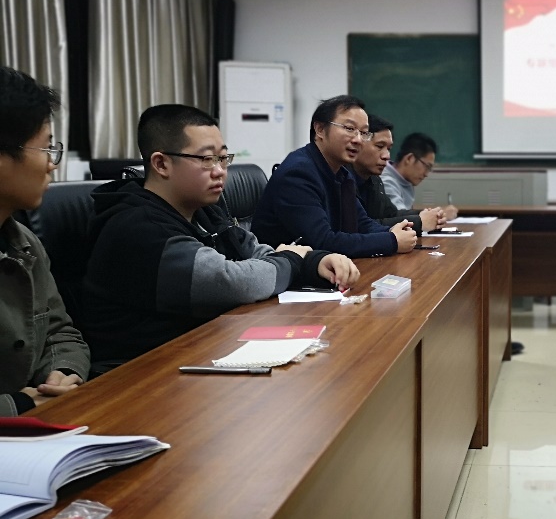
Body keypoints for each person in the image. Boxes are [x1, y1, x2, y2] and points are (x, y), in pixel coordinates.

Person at [81, 104, 359, 365]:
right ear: (162, 164)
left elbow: (252, 250)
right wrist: (294, 259)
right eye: (207, 159)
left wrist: (313, 262)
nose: (220, 172)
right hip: (141, 371)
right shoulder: (137, 226)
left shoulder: (201, 210)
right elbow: (232, 282)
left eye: (223, 158)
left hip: (202, 348)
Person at [0, 68, 90, 414]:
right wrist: (18, 404)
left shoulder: (24, 242)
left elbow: (59, 332)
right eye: (46, 147)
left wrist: (62, 372)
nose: (52, 165)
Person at [252, 96, 416, 257]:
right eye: (350, 129)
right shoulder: (297, 173)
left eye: (364, 133)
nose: (358, 140)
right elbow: (323, 242)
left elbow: (362, 223)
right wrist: (391, 240)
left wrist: (392, 232)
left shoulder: (342, 173)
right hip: (285, 269)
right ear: (320, 129)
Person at [352, 114, 445, 235]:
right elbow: (362, 227)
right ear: (358, 141)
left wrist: (426, 215)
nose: (387, 156)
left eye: (389, 149)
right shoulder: (343, 179)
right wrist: (419, 221)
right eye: (380, 146)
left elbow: (392, 214)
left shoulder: (374, 180)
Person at [381, 131, 459, 220]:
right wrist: (440, 214)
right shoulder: (386, 181)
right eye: (427, 166)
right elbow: (401, 218)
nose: (426, 174)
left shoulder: (405, 180)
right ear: (409, 158)